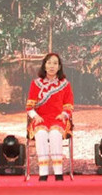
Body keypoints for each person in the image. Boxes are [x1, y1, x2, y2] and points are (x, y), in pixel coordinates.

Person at [26, 53, 74, 181]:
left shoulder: (65, 84)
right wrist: (35, 116)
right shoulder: (35, 84)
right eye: (49, 63)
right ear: (44, 66)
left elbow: (69, 106)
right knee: (41, 134)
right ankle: (43, 173)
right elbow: (29, 107)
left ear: (59, 67)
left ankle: (58, 173)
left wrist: (64, 114)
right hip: (40, 119)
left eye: (55, 63)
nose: (52, 66)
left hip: (58, 119)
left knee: (55, 134)